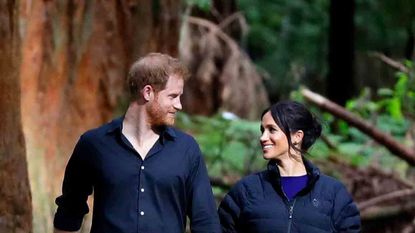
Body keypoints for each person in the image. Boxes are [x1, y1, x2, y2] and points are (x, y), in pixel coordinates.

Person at [54, 53, 221, 233]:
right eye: (173, 96)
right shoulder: (94, 145)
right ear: (147, 92)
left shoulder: (186, 150)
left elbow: (206, 221)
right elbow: (69, 212)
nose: (179, 105)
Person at [218, 100, 361, 233]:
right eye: (263, 130)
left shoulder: (334, 195)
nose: (263, 137)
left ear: (297, 136)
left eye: (272, 130)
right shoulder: (246, 191)